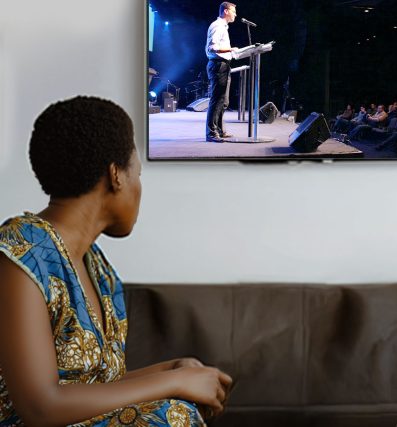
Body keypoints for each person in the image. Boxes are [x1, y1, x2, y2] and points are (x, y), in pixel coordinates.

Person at [0, 96, 233, 426]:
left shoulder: (99, 270)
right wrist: (174, 382)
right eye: (138, 173)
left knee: (177, 405)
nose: (139, 187)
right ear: (116, 176)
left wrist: (173, 370)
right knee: (173, 416)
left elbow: (95, 390)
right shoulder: (20, 250)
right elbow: (40, 406)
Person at [205, 2, 238, 142]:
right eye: (233, 11)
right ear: (226, 11)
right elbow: (212, 47)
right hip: (218, 65)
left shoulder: (223, 27)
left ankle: (219, 130)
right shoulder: (218, 25)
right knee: (217, 99)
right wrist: (231, 49)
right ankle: (211, 133)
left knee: (224, 101)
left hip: (223, 65)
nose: (235, 14)